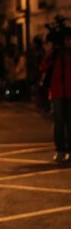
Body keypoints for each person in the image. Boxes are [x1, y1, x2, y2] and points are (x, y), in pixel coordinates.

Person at [40, 20, 71, 162]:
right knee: (58, 122)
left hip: (69, 93)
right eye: (67, 40)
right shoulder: (56, 56)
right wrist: (49, 53)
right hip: (57, 93)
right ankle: (60, 149)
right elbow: (43, 68)